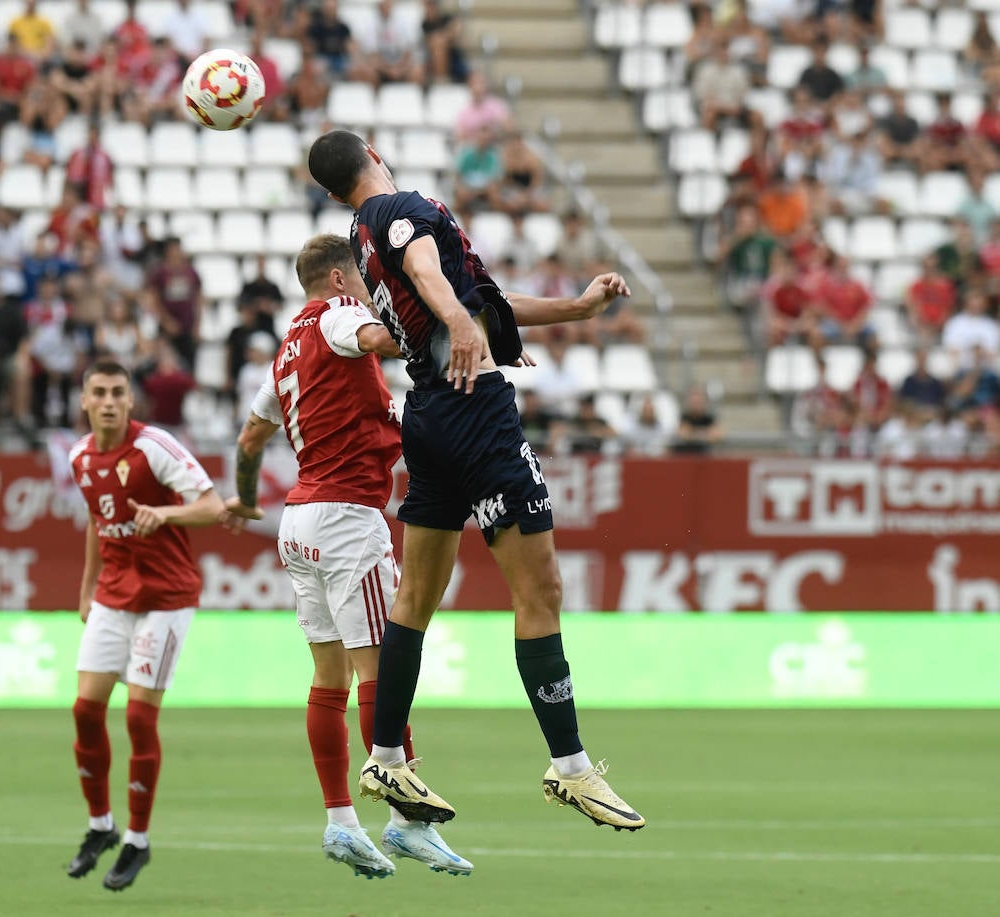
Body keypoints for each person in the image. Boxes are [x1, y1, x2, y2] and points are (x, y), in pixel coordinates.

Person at [306, 129, 643, 831]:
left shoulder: (361, 237)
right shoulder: (398, 209)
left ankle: (388, 754)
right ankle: (571, 767)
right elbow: (433, 274)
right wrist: (462, 321)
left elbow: (470, 293)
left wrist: (572, 310)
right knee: (540, 589)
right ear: (370, 151)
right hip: (476, 409)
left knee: (416, 596)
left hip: (428, 412)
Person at [222, 235, 473, 878]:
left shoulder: (283, 355)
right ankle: (408, 823)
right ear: (338, 277)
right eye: (363, 278)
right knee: (381, 673)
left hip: (298, 522)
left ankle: (340, 823)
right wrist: (438, 319)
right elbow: (379, 339)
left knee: (328, 682)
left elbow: (251, 440)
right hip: (345, 519)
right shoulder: (337, 318)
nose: (369, 288)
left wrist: (246, 501)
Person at [63, 361, 225, 891]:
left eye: (117, 393)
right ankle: (99, 826)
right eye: (99, 393)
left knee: (137, 717)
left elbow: (212, 506)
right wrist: (87, 586)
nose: (108, 401)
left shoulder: (154, 447)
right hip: (113, 592)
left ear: (130, 402)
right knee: (85, 710)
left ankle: (137, 839)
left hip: (166, 596)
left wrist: (167, 516)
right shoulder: (79, 456)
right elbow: (96, 517)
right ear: (85, 402)